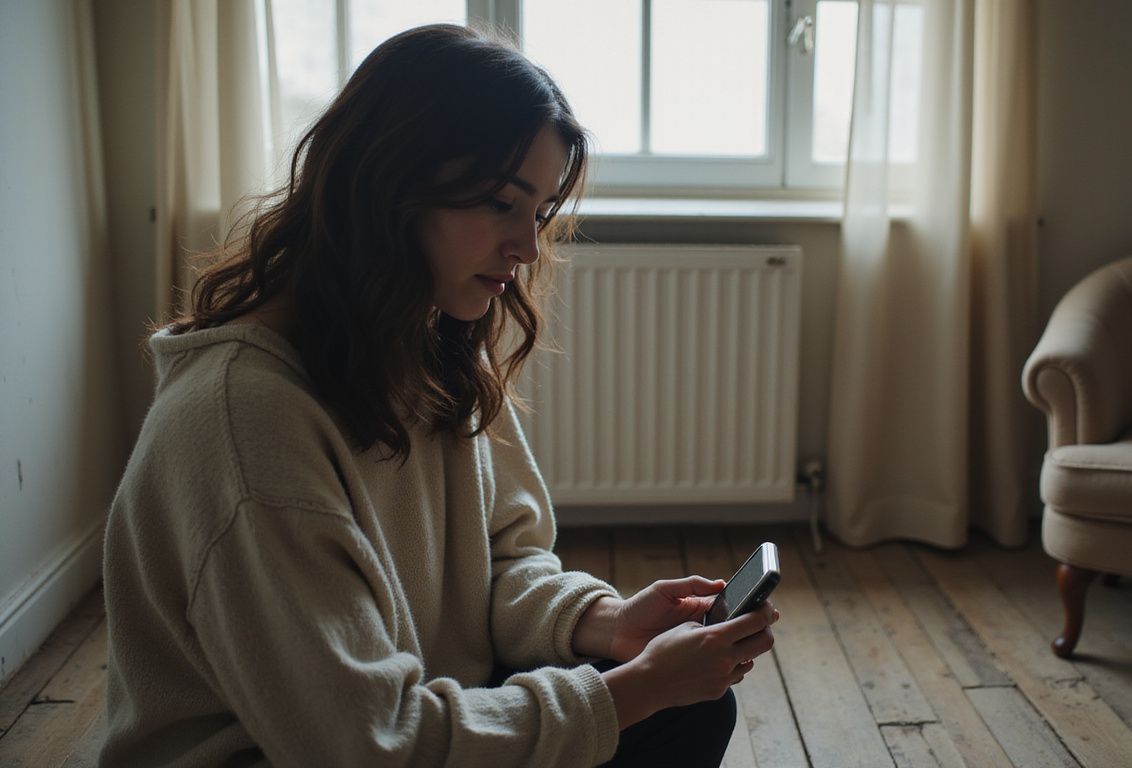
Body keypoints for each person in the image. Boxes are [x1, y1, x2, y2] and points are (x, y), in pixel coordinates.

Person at [99, 24, 777, 767]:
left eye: (540, 211)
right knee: (649, 706)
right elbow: (366, 743)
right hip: (305, 750)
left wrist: (608, 623)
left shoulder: (425, 347)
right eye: (498, 202)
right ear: (388, 182)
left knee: (690, 710)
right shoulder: (243, 421)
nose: (527, 247)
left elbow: (500, 564)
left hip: (409, 710)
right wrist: (633, 689)